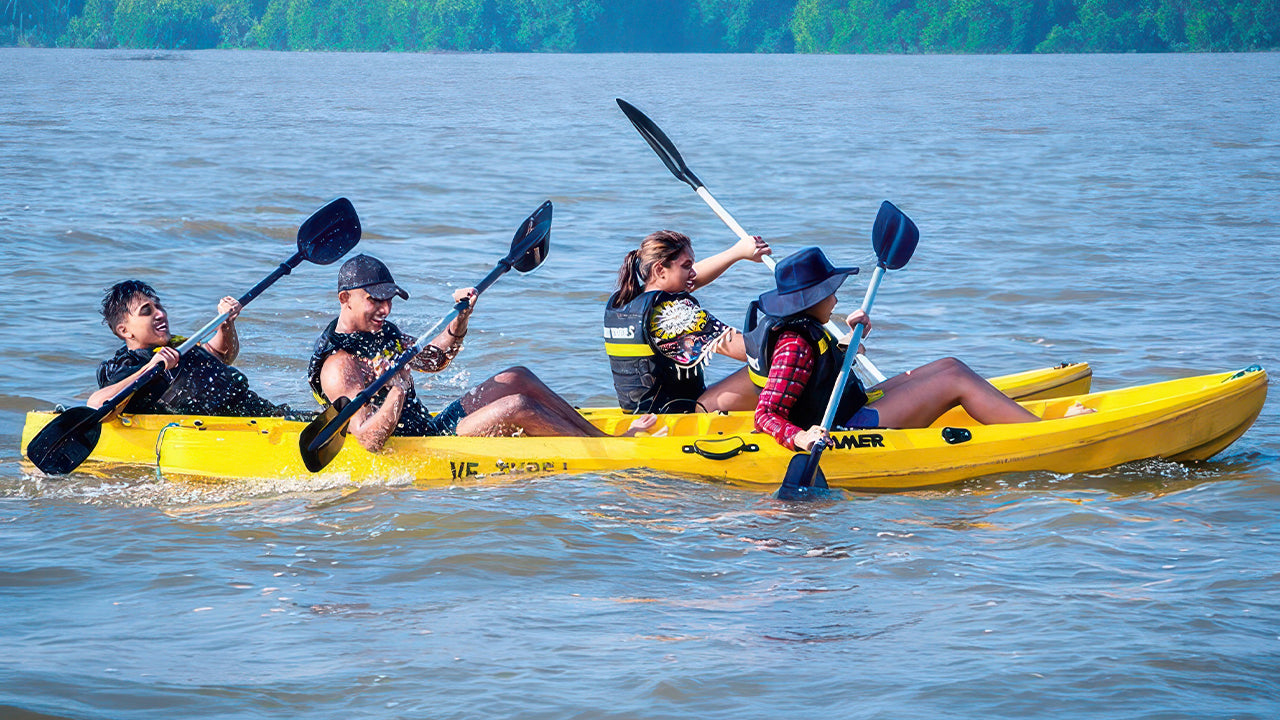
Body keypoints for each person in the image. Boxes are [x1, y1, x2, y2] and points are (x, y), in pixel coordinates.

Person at [747, 248, 1090, 452]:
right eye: (831, 290)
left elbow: (823, 374)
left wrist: (853, 342)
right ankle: (1044, 433)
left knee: (949, 364)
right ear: (813, 298)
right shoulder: (794, 345)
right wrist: (802, 439)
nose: (836, 297)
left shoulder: (808, 329)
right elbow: (764, 415)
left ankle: (1025, 422)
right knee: (954, 380)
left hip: (849, 406)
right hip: (840, 432)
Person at [309, 254, 655, 452]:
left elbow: (436, 360)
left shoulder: (383, 333)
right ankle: (605, 455)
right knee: (517, 406)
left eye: (389, 300)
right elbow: (370, 440)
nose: (385, 309)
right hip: (417, 447)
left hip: (430, 428)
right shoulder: (339, 366)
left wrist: (461, 317)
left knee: (516, 376)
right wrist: (398, 387)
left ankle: (604, 440)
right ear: (346, 299)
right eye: (375, 300)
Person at [603, 230, 771, 414]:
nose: (692, 273)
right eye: (686, 266)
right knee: (775, 363)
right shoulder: (671, 314)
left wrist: (737, 253)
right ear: (659, 270)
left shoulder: (626, 301)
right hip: (678, 417)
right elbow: (751, 351)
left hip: (642, 414)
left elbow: (691, 279)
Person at [89, 280, 292, 417]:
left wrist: (226, 324)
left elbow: (222, 355)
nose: (160, 314)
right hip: (226, 430)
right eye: (147, 311)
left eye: (159, 306)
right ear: (124, 331)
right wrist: (150, 368)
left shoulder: (180, 346)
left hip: (260, 413)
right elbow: (97, 404)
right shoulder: (129, 364)